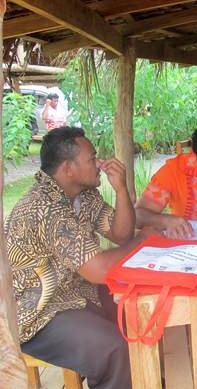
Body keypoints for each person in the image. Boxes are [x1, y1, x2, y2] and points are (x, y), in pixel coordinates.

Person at [5, 126, 163, 389]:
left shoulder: (82, 195)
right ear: (69, 168)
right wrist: (141, 242)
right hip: (39, 313)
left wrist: (121, 189)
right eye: (92, 158)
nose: (100, 163)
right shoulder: (45, 206)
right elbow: (99, 269)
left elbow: (120, 235)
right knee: (113, 348)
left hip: (77, 292)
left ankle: (144, 380)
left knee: (138, 311)